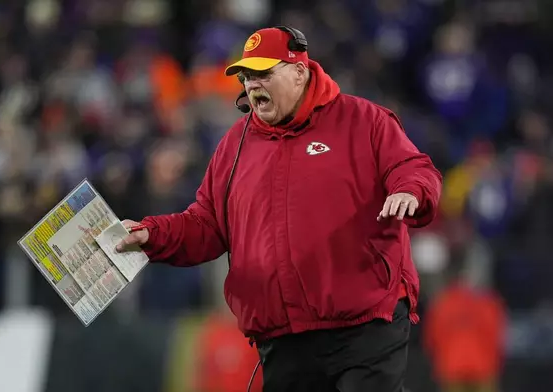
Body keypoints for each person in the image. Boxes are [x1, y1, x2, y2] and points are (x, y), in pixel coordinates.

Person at [116, 26, 442, 392]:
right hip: (285, 338)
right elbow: (206, 225)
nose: (252, 85)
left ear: (299, 72)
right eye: (246, 76)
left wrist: (410, 191)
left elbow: (413, 168)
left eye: (263, 73)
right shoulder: (234, 146)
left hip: (364, 324)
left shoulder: (363, 120)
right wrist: (151, 233)